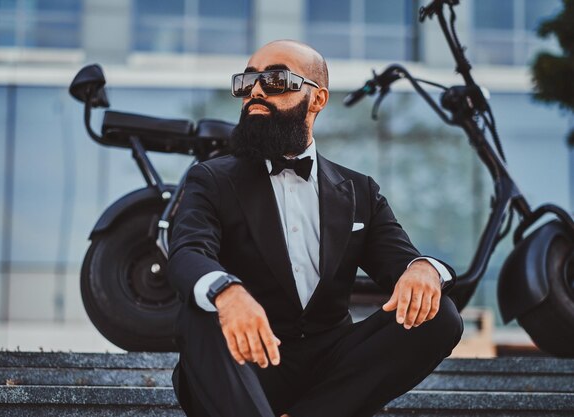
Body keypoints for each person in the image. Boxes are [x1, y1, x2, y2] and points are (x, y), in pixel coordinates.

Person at [167, 39, 463, 417]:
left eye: (275, 79)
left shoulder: (360, 191)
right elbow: (188, 253)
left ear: (318, 99)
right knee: (202, 306)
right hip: (243, 367)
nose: (255, 90)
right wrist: (228, 292)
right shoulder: (211, 178)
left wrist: (424, 269)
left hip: (328, 373)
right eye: (247, 82)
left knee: (439, 315)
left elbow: (402, 262)